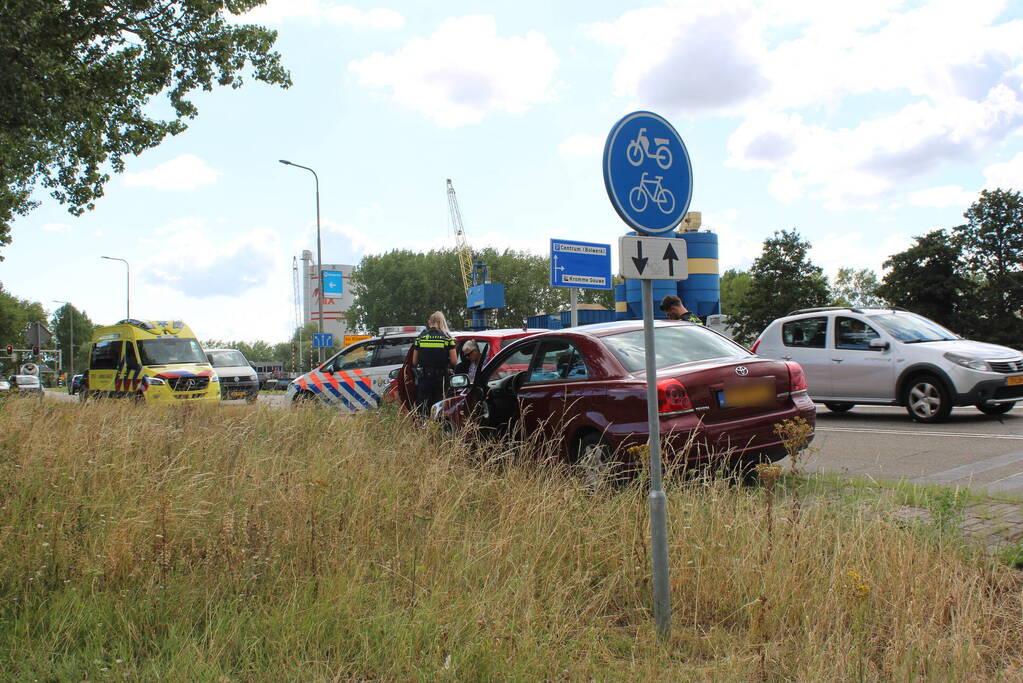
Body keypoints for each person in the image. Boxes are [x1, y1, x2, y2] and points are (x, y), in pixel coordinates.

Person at [411, 311, 457, 416]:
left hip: (425, 379)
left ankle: (423, 427)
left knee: (423, 407)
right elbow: (454, 361)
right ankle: (437, 428)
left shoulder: (420, 338)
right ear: (441, 322)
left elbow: (414, 361)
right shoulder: (447, 338)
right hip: (441, 379)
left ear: (429, 322)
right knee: (439, 407)